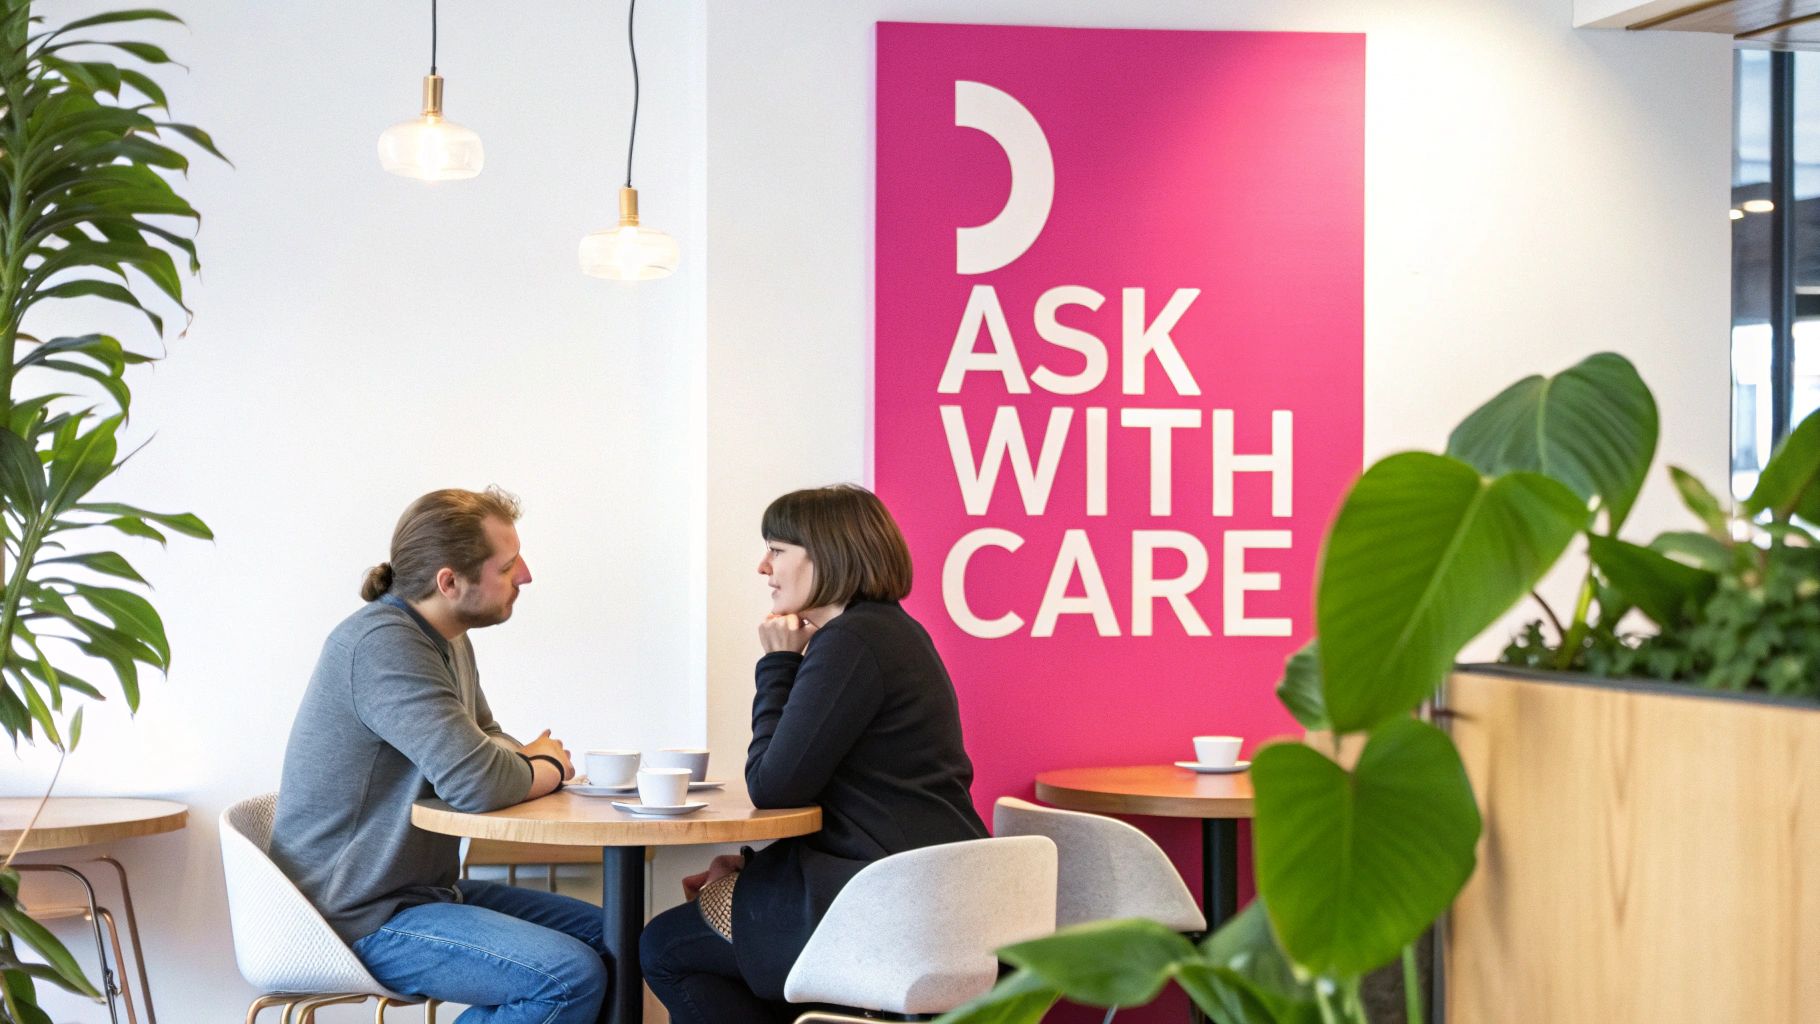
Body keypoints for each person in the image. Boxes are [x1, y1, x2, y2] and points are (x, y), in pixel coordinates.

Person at [640, 484, 989, 1023]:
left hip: (888, 906)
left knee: (663, 946)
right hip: (928, 890)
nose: (763, 566)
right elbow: (848, 795)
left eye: (776, 549)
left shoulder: (851, 641)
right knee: (717, 927)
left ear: (827, 555)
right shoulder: (888, 632)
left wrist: (778, 663)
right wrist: (753, 867)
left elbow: (775, 788)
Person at [271, 487, 612, 1024]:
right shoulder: (383, 644)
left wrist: (519, 763)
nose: (526, 576)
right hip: (356, 914)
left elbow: (489, 741)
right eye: (508, 565)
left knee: (616, 938)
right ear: (449, 582)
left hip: (421, 893)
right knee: (567, 976)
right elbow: (477, 781)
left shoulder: (447, 639)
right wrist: (545, 765)